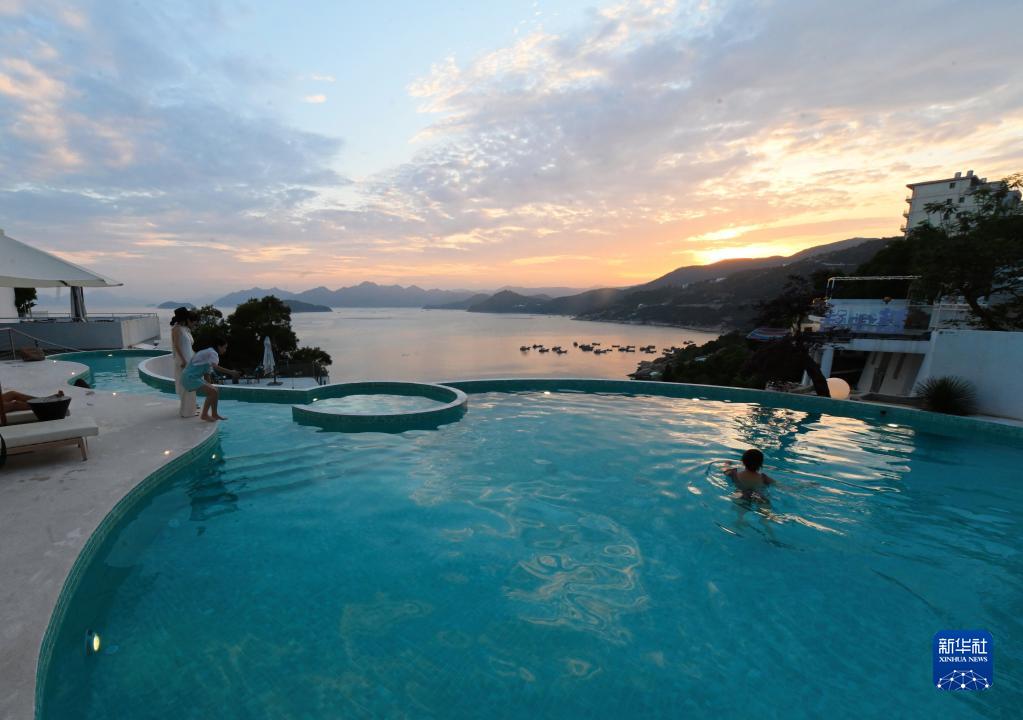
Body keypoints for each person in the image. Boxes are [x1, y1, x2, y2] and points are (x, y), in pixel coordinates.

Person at [181, 337, 240, 422]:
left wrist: (210, 387)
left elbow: (207, 374)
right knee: (213, 391)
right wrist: (231, 372)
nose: (225, 350)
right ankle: (204, 415)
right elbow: (216, 367)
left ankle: (214, 414)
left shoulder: (208, 353)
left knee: (214, 391)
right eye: (224, 347)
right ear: (219, 346)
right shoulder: (213, 353)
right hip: (189, 378)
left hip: (190, 377)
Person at [170, 307, 199, 418]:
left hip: (189, 360)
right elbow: (176, 346)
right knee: (186, 385)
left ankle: (190, 409)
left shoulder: (184, 329)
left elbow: (188, 347)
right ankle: (187, 412)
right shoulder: (176, 329)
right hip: (183, 361)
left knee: (190, 384)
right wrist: (183, 360)